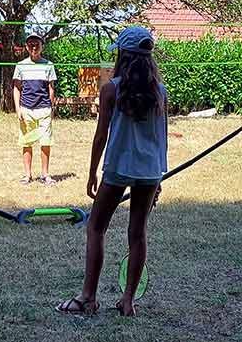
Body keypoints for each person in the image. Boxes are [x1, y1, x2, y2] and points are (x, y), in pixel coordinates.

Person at [56, 26, 168, 316]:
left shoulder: (111, 89)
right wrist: (159, 177)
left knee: (96, 226)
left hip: (118, 168)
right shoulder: (160, 92)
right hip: (149, 171)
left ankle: (88, 298)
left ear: (123, 55)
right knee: (137, 232)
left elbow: (100, 136)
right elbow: (162, 136)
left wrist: (92, 172)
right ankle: (128, 301)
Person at [13, 33, 57, 185]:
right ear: (26, 47)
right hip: (26, 109)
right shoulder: (20, 65)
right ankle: (27, 175)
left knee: (45, 143)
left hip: (44, 109)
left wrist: (51, 108)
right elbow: (16, 89)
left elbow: (51, 89)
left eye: (36, 44)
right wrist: (18, 110)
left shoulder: (49, 65)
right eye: (30, 44)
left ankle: (45, 174)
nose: (33, 47)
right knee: (27, 143)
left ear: (42, 46)